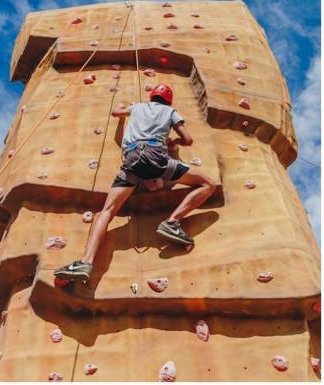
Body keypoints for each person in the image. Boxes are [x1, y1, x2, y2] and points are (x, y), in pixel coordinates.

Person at [54, 84, 215, 282]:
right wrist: (174, 143)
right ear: (168, 100)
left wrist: (123, 115)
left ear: (151, 96)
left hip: (130, 160)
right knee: (208, 184)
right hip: (155, 158)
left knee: (106, 212)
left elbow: (116, 112)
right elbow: (188, 139)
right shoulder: (170, 111)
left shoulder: (137, 107)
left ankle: (85, 262)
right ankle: (172, 222)